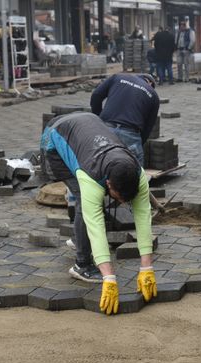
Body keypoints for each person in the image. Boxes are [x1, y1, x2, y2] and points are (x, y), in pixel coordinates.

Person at [40, 112, 158, 315]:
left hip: (86, 125)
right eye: (119, 198)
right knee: (83, 203)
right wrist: (109, 278)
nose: (121, 203)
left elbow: (143, 218)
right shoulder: (91, 178)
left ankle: (79, 240)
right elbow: (96, 226)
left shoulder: (138, 175)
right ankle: (81, 264)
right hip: (55, 138)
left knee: (93, 204)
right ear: (109, 183)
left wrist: (147, 268)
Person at [90, 73, 159, 165]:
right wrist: (139, 142)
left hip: (106, 128)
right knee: (135, 172)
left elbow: (96, 95)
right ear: (150, 83)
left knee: (99, 164)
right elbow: (148, 125)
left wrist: (98, 117)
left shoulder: (118, 77)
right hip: (130, 132)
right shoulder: (153, 94)